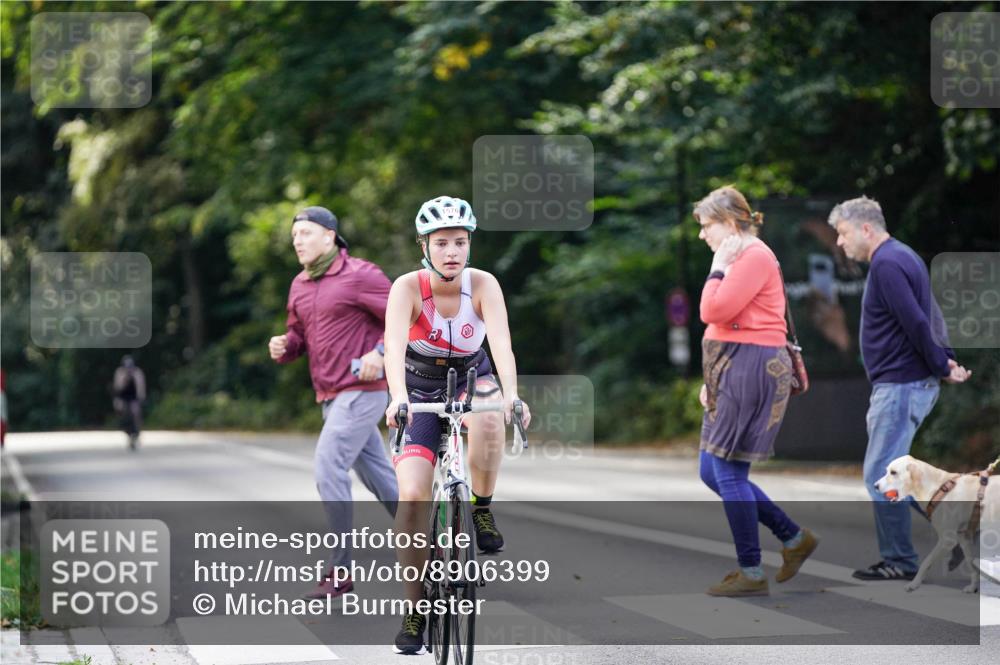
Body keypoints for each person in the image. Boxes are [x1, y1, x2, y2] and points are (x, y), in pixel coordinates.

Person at [383, 196, 531, 654]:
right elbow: (391, 347)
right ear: (423, 245)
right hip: (419, 389)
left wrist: (512, 396)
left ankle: (481, 505)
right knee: (411, 499)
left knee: (489, 420)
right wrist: (399, 400)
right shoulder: (407, 288)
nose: (452, 251)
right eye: (442, 242)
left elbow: (502, 346)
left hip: (474, 377)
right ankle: (415, 611)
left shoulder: (484, 284)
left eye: (460, 242)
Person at [827, 196, 971, 581]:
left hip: (901, 384)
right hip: (906, 382)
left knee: (881, 472)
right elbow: (930, 313)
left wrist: (942, 363)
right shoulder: (903, 255)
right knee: (893, 475)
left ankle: (904, 558)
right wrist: (947, 360)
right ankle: (957, 531)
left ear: (866, 228)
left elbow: (916, 321)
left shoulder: (887, 263)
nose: (840, 243)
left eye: (842, 234)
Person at [268, 205, 398, 599]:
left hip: (363, 390)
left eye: (305, 233)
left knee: (328, 466)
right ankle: (440, 542)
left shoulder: (361, 275)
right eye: (294, 237)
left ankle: (340, 570)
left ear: (329, 235)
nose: (298, 242)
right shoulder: (300, 285)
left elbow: (406, 316)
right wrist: (285, 346)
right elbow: (298, 337)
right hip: (330, 396)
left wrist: (379, 352)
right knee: (382, 481)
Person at [695, 185, 819, 597]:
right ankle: (792, 537)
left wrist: (716, 268)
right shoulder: (744, 256)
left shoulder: (750, 256)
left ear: (729, 223)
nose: (702, 235)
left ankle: (751, 571)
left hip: (751, 367)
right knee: (711, 470)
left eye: (706, 226)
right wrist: (714, 375)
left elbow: (712, 310)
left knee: (728, 471)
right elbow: (730, 322)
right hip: (736, 365)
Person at [112, 355, 146, 450]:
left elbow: (141, 387)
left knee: (135, 414)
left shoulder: (137, 373)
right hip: (123, 398)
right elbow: (117, 388)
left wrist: (141, 400)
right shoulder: (120, 373)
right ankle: (128, 434)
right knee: (124, 416)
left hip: (134, 398)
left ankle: (136, 433)